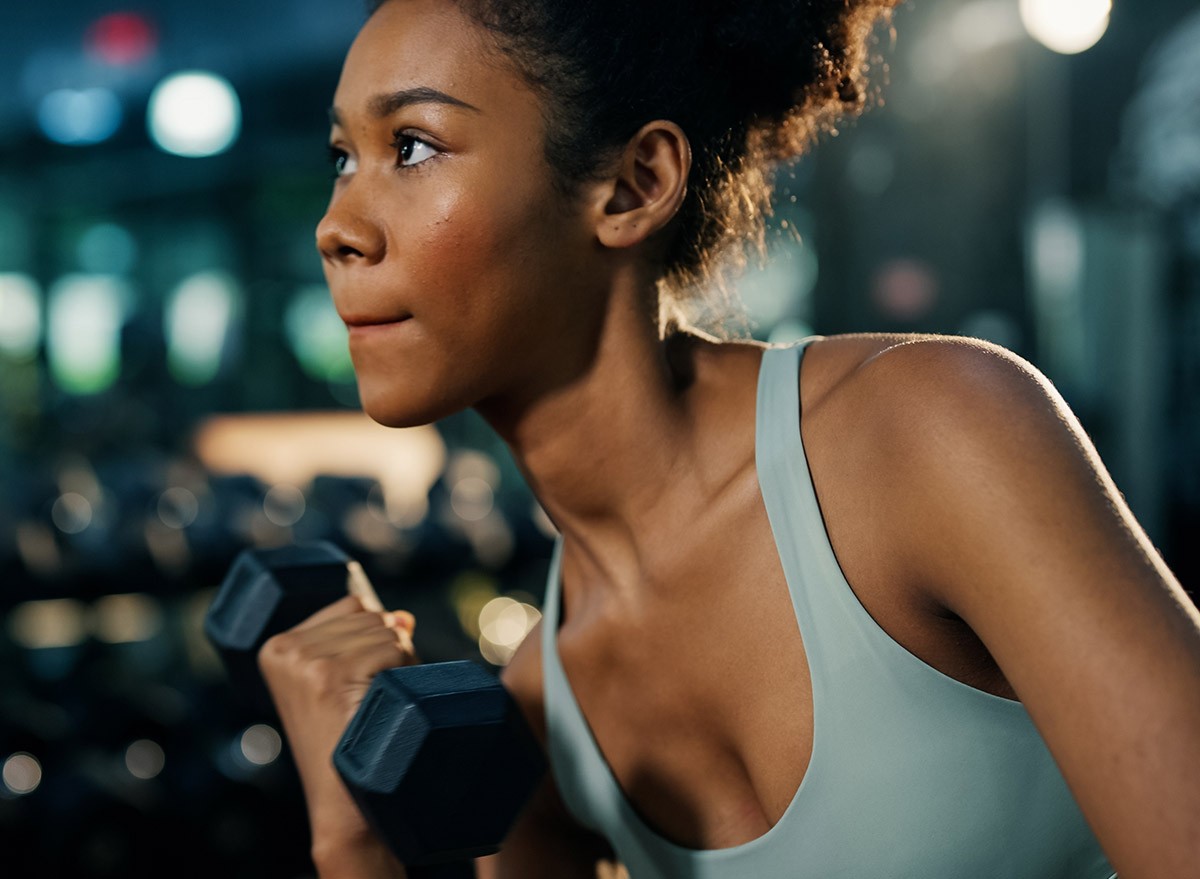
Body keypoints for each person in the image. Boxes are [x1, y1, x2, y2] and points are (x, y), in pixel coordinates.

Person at [256, 1, 1200, 877]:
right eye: (343, 157)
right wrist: (353, 844)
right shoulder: (545, 706)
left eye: (412, 146)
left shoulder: (923, 434)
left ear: (634, 185)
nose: (335, 228)